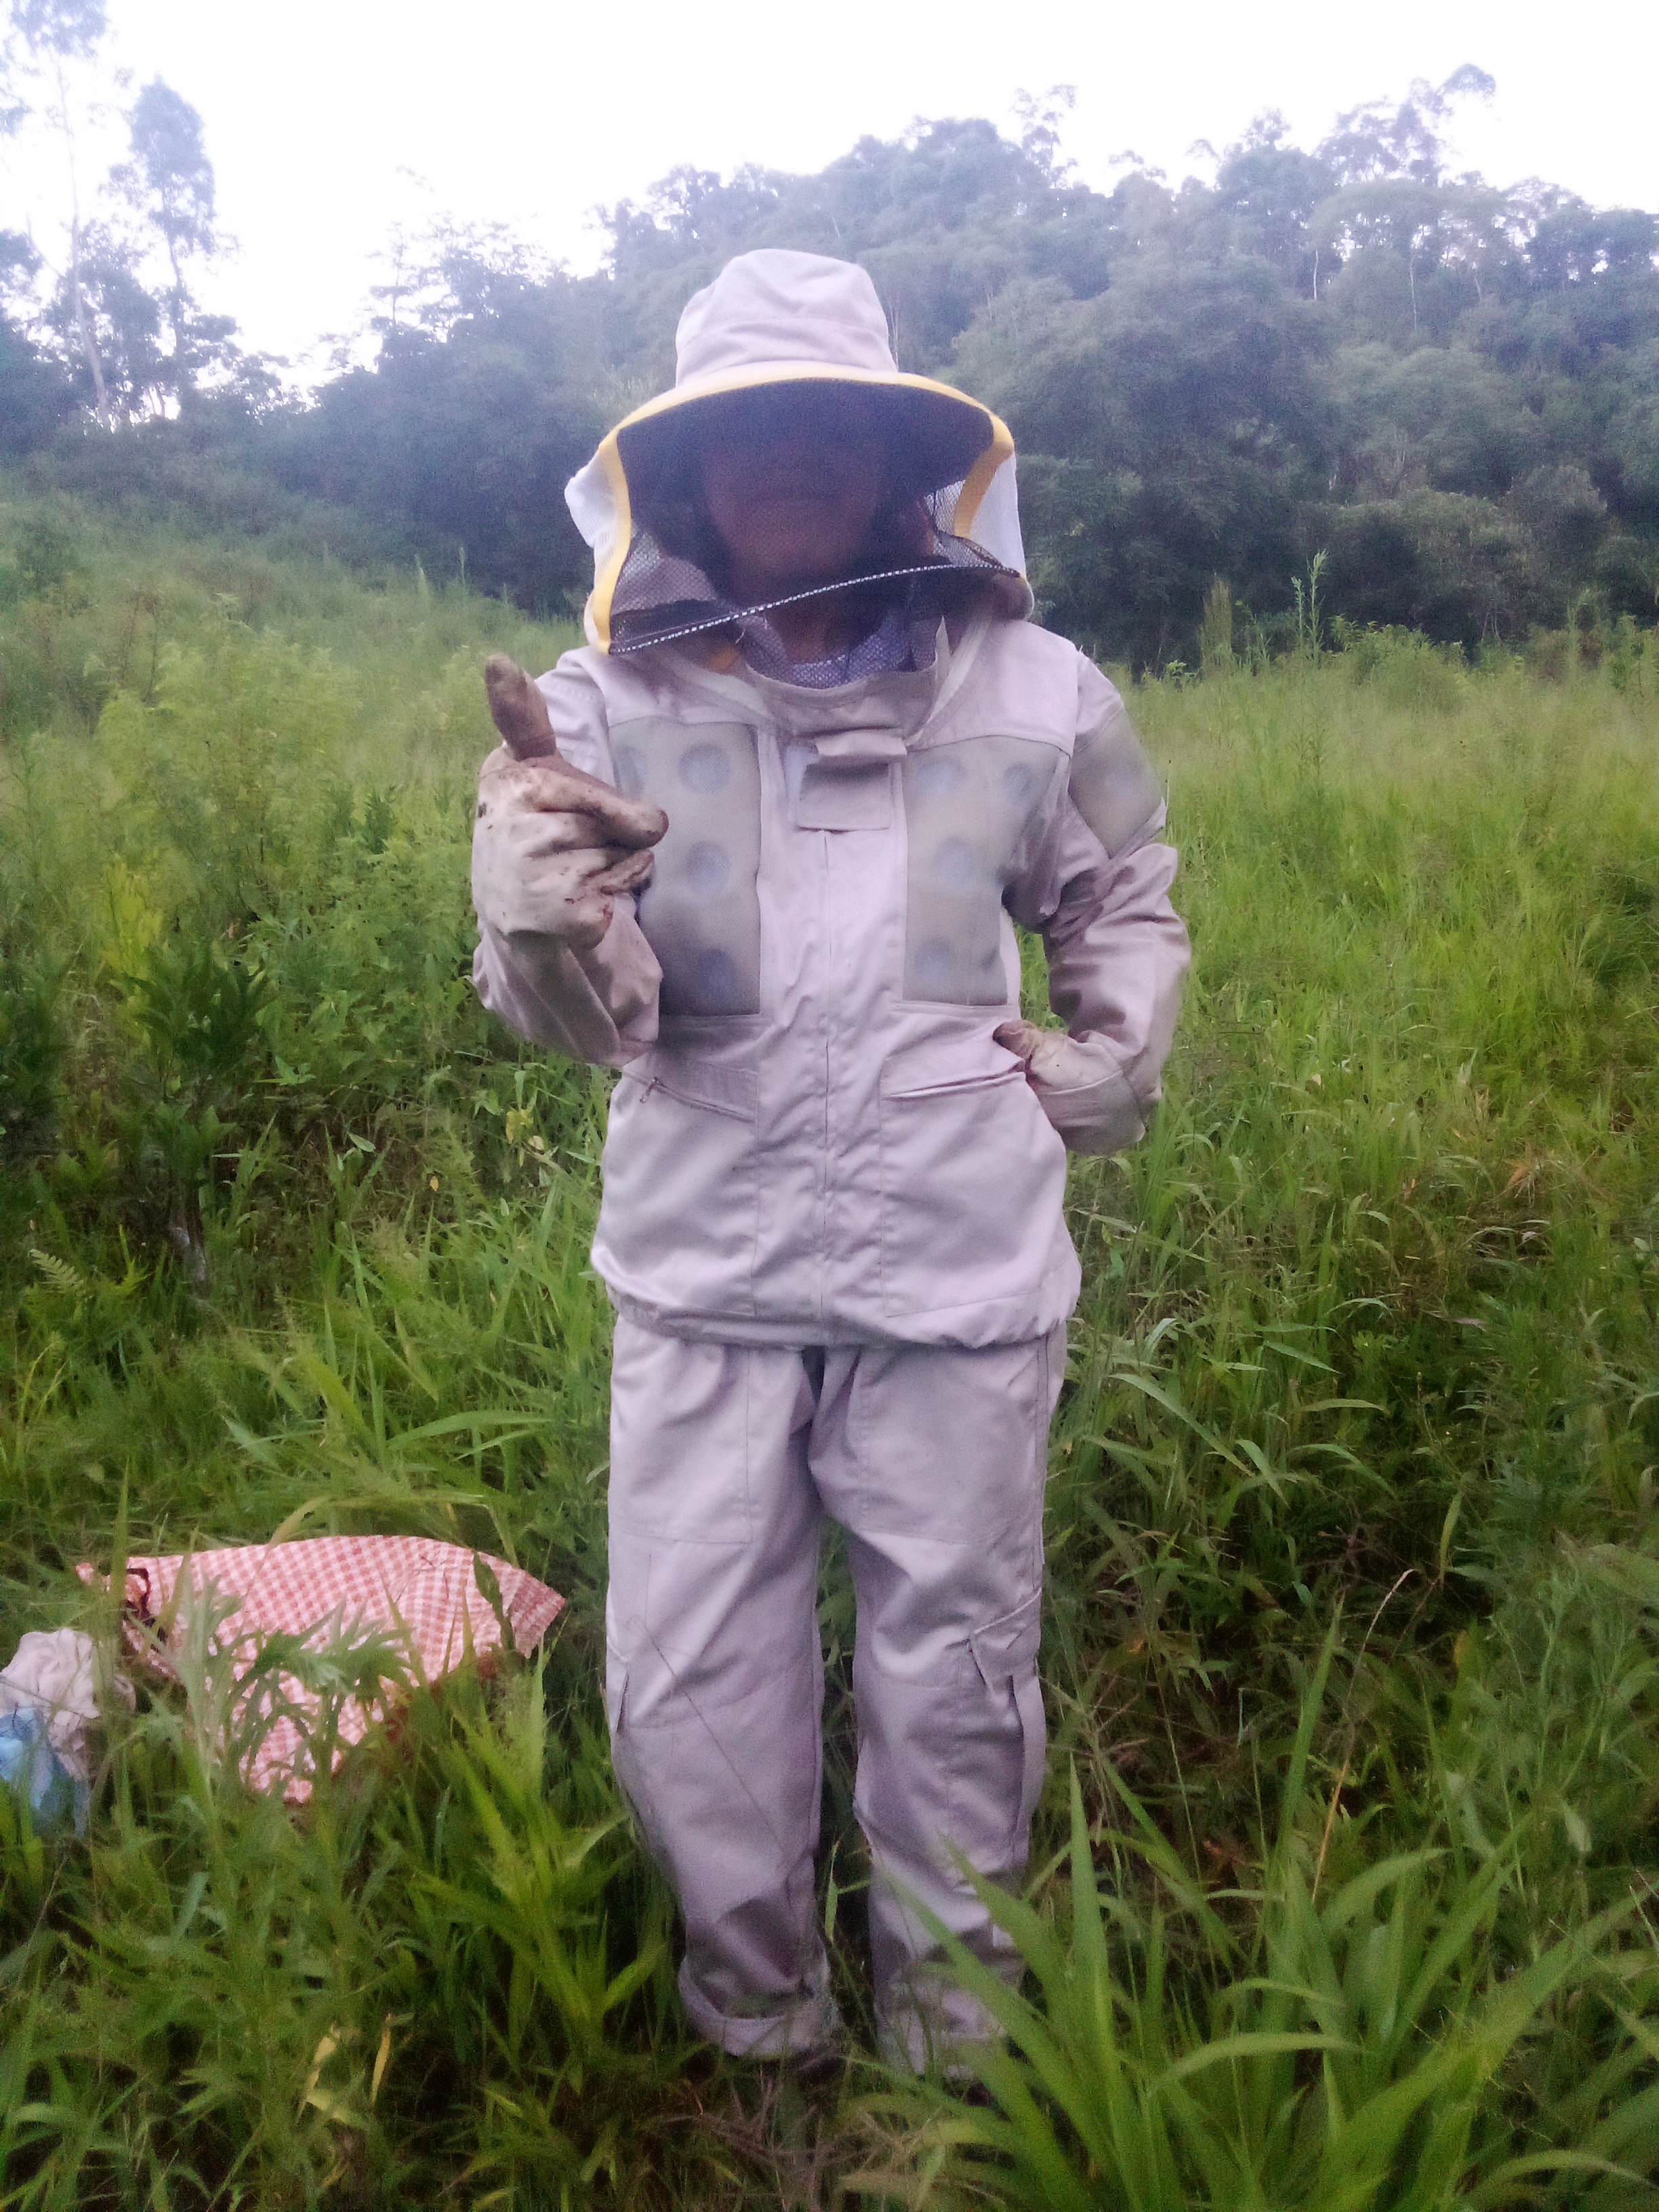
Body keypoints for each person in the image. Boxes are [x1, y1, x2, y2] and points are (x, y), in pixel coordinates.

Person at [470, 249, 1190, 2072]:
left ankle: (952, 2078)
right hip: (705, 1275)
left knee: (956, 1680)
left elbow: (1127, 899)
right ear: (686, 477)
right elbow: (597, 1019)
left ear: (892, 458)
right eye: (745, 429)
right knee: (694, 1686)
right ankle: (759, 2053)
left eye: (824, 421)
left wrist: (1107, 1067)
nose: (785, 456)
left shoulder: (1038, 689)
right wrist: (542, 923)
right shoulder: (610, 704)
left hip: (958, 1277)